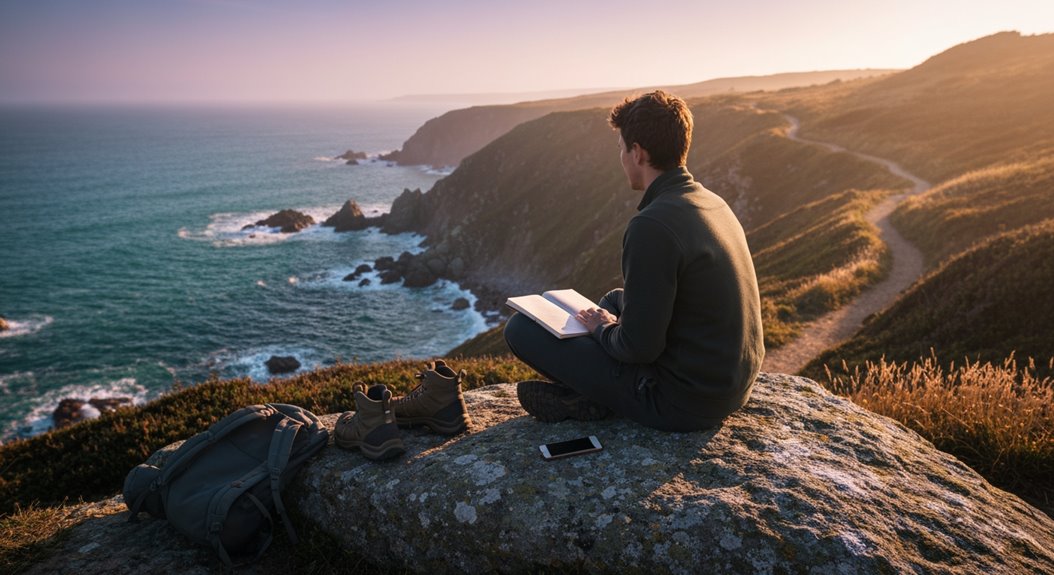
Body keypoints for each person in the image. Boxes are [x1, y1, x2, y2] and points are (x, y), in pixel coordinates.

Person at [504, 90, 764, 432]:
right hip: (728, 387)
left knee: (521, 329)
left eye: (621, 149)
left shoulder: (652, 225)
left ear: (637, 152)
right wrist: (611, 323)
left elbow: (638, 348)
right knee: (614, 298)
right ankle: (591, 391)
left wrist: (603, 330)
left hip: (681, 402)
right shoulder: (713, 202)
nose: (622, 158)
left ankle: (592, 396)